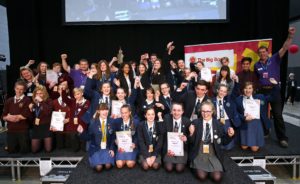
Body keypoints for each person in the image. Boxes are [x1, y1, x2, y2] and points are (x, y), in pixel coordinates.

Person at [254, 27, 296, 148]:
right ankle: (266, 131)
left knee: (277, 115)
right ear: (259, 54)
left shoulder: (275, 59)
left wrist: (290, 36)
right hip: (263, 92)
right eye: (260, 52)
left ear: (268, 52)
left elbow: (285, 47)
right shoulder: (257, 65)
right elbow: (259, 77)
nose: (262, 54)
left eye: (264, 52)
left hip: (274, 91)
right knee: (260, 113)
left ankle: (282, 138)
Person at [189, 101, 235, 182]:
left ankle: (210, 168)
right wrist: (191, 133)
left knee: (217, 178)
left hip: (213, 152)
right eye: (203, 111)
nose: (205, 114)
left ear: (212, 111)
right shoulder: (195, 123)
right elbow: (190, 143)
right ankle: (197, 167)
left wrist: (229, 135)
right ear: (200, 111)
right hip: (199, 152)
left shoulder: (218, 124)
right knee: (202, 176)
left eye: (208, 111)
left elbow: (223, 142)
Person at [77, 103, 115, 172]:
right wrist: (82, 132)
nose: (105, 112)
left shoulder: (111, 121)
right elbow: (89, 137)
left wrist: (112, 149)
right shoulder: (93, 122)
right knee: (98, 168)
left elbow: (113, 137)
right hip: (96, 148)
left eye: (106, 109)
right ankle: (96, 160)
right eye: (102, 110)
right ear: (98, 111)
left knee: (108, 166)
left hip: (107, 148)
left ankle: (104, 160)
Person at [235, 82, 269, 152]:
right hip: (245, 124)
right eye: (246, 88)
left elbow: (274, 97)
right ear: (243, 89)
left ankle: (254, 140)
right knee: (244, 147)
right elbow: (235, 113)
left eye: (250, 88)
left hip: (255, 124)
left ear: (253, 89)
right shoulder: (238, 99)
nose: (248, 90)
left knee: (254, 149)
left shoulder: (259, 97)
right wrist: (244, 117)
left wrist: (275, 86)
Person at [2, 81, 32, 153]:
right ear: (14, 89)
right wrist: (6, 118)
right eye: (17, 88)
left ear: (24, 90)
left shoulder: (27, 100)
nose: (19, 91)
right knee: (11, 151)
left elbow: (25, 115)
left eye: (21, 89)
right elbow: (3, 115)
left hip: (22, 130)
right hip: (11, 130)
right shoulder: (9, 100)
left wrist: (12, 117)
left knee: (24, 151)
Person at [161, 103, 190, 172]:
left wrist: (186, 139)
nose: (176, 113)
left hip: (181, 149)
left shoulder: (187, 121)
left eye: (179, 110)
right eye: (174, 110)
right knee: (169, 168)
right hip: (169, 149)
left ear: (182, 112)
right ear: (171, 111)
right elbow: (162, 134)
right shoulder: (167, 118)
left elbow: (190, 139)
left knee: (179, 169)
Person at [212, 84, 241, 150]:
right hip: (215, 122)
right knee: (217, 145)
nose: (222, 93)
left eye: (224, 92)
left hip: (226, 122)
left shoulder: (230, 101)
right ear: (217, 90)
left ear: (226, 93)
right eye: (221, 91)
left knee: (228, 147)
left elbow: (234, 113)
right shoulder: (211, 101)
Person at [29, 85, 53, 153]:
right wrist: (30, 110)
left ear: (44, 94)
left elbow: (48, 112)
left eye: (41, 93)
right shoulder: (33, 102)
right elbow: (30, 118)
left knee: (48, 150)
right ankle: (40, 143)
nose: (38, 95)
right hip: (36, 127)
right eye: (37, 93)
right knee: (34, 150)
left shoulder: (49, 101)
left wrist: (42, 101)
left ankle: (44, 143)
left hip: (46, 126)